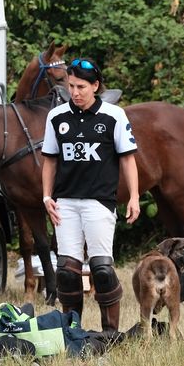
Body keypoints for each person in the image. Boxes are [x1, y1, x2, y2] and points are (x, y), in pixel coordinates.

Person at [41, 57, 140, 332]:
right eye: (71, 86)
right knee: (66, 271)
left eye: (81, 86)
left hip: (99, 201)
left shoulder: (114, 115)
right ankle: (73, 331)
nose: (75, 92)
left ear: (95, 86)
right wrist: (47, 197)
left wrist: (134, 197)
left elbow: (128, 159)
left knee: (102, 269)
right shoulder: (56, 117)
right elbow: (49, 159)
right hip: (66, 203)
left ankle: (110, 334)